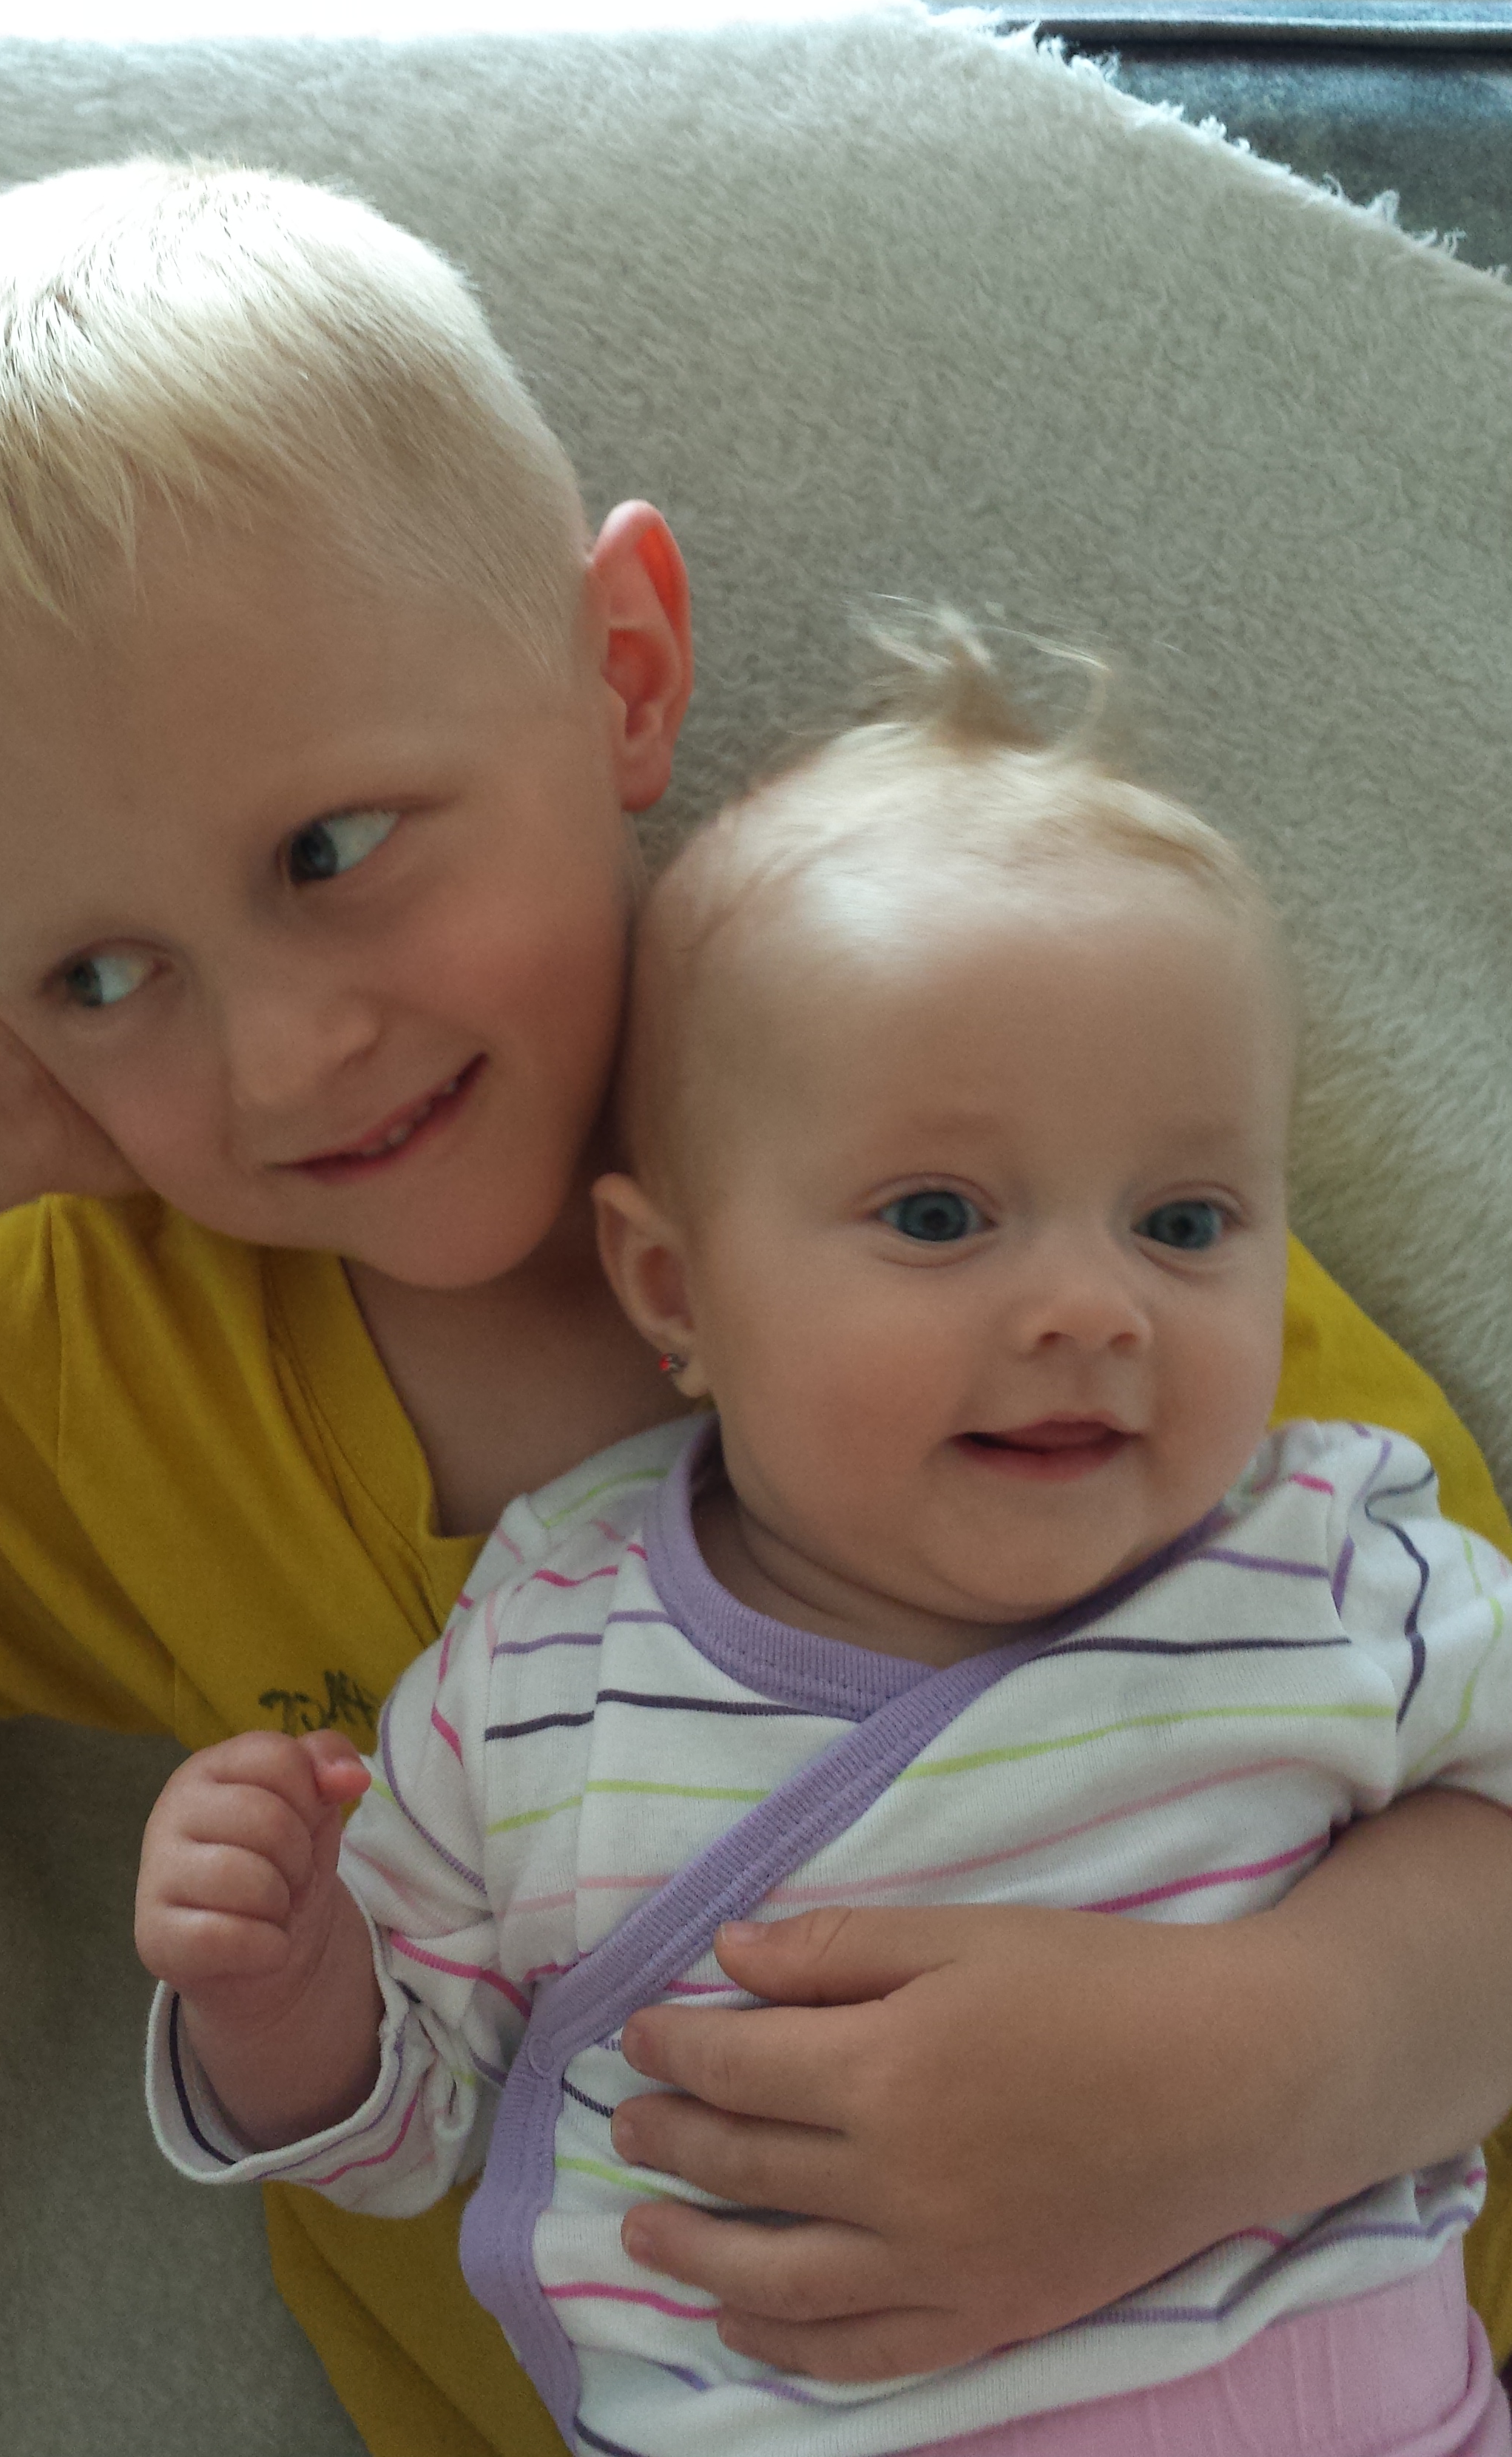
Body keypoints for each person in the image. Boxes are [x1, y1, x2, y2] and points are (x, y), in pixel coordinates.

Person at [0, 164, 1511, 2457]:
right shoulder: (77, 1368)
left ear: (621, 675)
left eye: (330, 852)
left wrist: (1263, 2068)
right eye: (102, 973)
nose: (283, 1059)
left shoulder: (1048, 1177)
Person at [138, 616, 1512, 2457]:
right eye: (938, 1216)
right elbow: (402, 2135)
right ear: (670, 1287)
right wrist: (279, 1986)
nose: (1090, 1308)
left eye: (1182, 1224)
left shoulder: (1327, 1556)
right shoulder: (545, 1666)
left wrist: (1289, 2039)